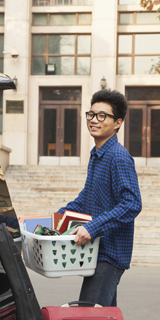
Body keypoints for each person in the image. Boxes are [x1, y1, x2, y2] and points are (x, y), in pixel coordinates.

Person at [57, 89, 142, 307]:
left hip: (110, 255)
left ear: (117, 123)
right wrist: (59, 216)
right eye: (91, 114)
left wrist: (92, 228)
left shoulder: (118, 157)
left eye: (102, 116)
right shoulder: (97, 155)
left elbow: (132, 204)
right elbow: (87, 196)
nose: (94, 120)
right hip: (97, 252)